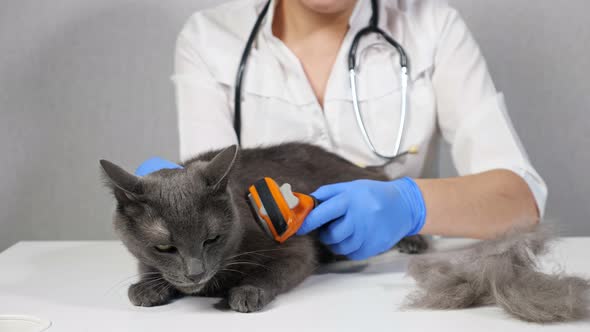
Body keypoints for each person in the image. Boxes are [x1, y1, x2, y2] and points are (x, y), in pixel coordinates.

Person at [144, 0, 547, 260]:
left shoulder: (433, 27)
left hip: (398, 281)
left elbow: (521, 201)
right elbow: (206, 209)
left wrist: (408, 206)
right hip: (271, 284)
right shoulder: (209, 38)